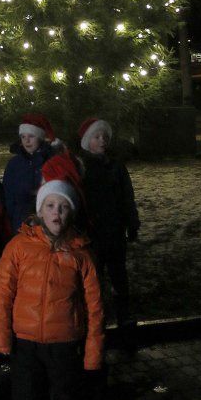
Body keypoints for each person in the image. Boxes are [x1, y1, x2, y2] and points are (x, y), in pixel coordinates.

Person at [0, 159, 104, 400]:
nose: (57, 213)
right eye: (51, 206)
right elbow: (2, 296)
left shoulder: (81, 254)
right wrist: (0, 342)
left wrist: (93, 353)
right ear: (40, 210)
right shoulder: (19, 248)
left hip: (65, 344)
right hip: (26, 346)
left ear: (71, 213)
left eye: (63, 207)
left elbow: (95, 308)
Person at [78, 117, 140, 328]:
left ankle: (123, 314)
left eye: (104, 136)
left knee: (119, 276)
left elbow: (126, 196)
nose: (102, 140)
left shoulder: (116, 166)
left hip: (114, 232)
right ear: (88, 141)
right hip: (93, 234)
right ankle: (96, 318)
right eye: (97, 136)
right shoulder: (82, 168)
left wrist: (132, 223)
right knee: (94, 279)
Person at [2, 113, 61, 234]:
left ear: (39, 137)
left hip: (47, 222)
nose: (26, 141)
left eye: (31, 136)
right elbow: (8, 194)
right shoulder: (14, 164)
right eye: (23, 137)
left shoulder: (52, 161)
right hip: (20, 222)